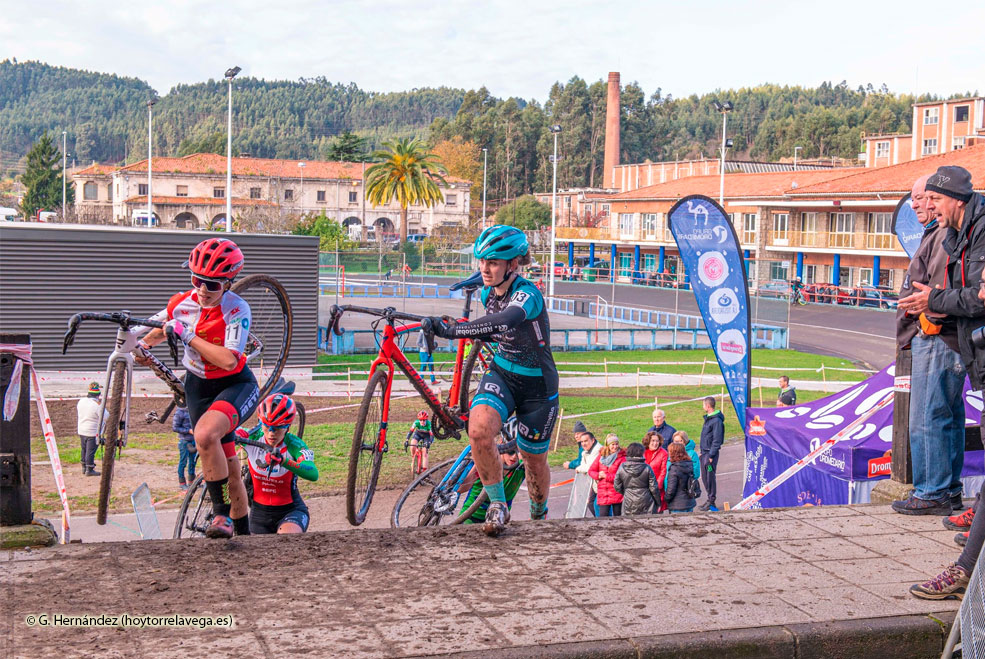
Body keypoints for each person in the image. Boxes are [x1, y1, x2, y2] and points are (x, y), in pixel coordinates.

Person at [424, 225, 559, 537]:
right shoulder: (489, 289)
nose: (485, 268)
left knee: (533, 460)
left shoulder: (528, 294)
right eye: (482, 261)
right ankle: (498, 504)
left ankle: (539, 513)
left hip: (538, 387)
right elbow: (483, 297)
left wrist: (455, 331)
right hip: (503, 374)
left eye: (493, 263)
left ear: (513, 264)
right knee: (478, 430)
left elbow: (506, 320)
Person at [135, 237, 257, 539]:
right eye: (197, 280)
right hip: (197, 386)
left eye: (212, 285)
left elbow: (228, 360)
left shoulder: (237, 309)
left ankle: (220, 515)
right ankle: (244, 535)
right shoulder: (181, 303)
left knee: (204, 434)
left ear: (227, 284)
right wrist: (143, 345)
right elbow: (160, 330)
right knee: (230, 467)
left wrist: (188, 335)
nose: (203, 289)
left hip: (234, 384)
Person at [908, 171, 985, 599]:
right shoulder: (960, 233)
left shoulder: (980, 231)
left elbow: (977, 298)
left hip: (959, 343)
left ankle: (963, 569)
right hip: (974, 350)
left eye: (933, 199)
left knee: (934, 417)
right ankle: (967, 560)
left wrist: (933, 301)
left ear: (956, 199)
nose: (927, 206)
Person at [893, 173, 966, 516]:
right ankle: (948, 491)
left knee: (927, 417)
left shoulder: (943, 234)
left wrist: (923, 323)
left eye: (923, 197)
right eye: (917, 198)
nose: (916, 204)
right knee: (947, 417)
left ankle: (932, 492)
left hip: (936, 336)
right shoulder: (942, 232)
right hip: (945, 337)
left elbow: (937, 287)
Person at [242, 394, 319, 535]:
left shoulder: (295, 444)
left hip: (291, 511)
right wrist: (235, 434)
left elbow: (313, 474)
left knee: (285, 539)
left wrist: (284, 461)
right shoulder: (253, 437)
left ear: (287, 427)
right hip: (259, 514)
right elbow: (224, 432)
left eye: (277, 428)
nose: (271, 433)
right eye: (267, 427)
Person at [461, 446, 525, 525]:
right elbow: (461, 488)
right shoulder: (486, 462)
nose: (514, 456)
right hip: (471, 516)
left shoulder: (521, 468)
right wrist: (478, 463)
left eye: (519, 452)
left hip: (498, 519)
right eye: (510, 452)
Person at [563, 422, 602, 516]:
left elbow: (587, 465)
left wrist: (572, 465)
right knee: (591, 503)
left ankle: (606, 519)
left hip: (600, 480)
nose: (576, 436)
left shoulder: (596, 449)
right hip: (594, 480)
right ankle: (600, 519)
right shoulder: (585, 448)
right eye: (575, 434)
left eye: (578, 433)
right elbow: (583, 461)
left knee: (598, 504)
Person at [614, 442, 659, 516]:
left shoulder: (622, 467)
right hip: (646, 500)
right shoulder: (647, 467)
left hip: (628, 500)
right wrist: (658, 502)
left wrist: (627, 492)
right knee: (647, 521)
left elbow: (617, 486)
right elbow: (654, 488)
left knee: (629, 522)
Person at [589, 434, 626, 517]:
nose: (615, 447)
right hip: (603, 494)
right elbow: (591, 471)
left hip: (617, 493)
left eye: (616, 444)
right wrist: (598, 475)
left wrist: (606, 476)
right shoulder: (601, 456)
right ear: (608, 445)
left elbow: (621, 476)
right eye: (613, 444)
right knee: (603, 518)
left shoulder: (622, 458)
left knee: (618, 518)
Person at [698, 397, 724, 512]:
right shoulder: (708, 419)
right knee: (704, 477)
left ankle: (711, 500)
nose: (703, 406)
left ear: (708, 406)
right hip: (704, 453)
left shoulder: (716, 421)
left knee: (710, 476)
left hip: (710, 455)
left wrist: (711, 455)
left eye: (704, 405)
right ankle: (709, 498)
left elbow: (717, 440)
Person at [76, 382, 104, 477]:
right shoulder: (97, 405)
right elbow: (106, 416)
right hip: (92, 431)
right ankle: (89, 469)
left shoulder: (81, 401)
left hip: (81, 429)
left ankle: (84, 467)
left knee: (84, 449)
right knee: (90, 451)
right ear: (98, 395)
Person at [665, 443, 697, 514]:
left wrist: (666, 499)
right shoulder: (689, 465)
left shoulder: (674, 469)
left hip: (677, 505)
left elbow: (671, 490)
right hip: (689, 502)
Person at [643, 430, 668, 512]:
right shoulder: (643, 452)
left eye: (657, 441)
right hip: (644, 487)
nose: (655, 443)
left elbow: (663, 471)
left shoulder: (663, 453)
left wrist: (656, 486)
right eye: (653, 441)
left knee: (657, 511)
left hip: (657, 488)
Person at [173, 404, 197, 489]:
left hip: (194, 440)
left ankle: (192, 481)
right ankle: (182, 483)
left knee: (193, 461)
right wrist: (188, 431)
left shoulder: (194, 410)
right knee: (183, 462)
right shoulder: (180, 412)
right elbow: (175, 428)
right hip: (184, 441)